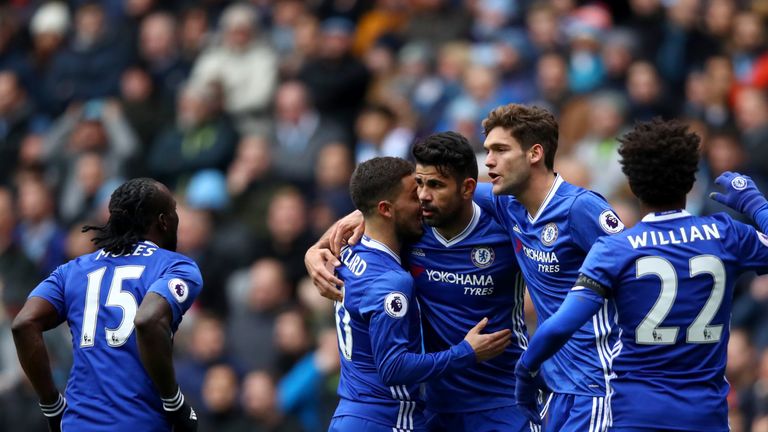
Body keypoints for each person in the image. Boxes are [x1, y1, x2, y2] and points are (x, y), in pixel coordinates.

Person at [513, 119, 768, 431]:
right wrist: (756, 206)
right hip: (706, 416)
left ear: (632, 186)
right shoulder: (726, 235)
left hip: (636, 416)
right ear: (691, 182)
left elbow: (558, 327)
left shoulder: (614, 249)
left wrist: (525, 372)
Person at [307, 132, 535, 431]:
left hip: (502, 402)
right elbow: (377, 213)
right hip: (435, 408)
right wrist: (314, 251)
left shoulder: (505, 224)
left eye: (435, 185)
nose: (423, 196)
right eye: (418, 185)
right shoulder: (410, 231)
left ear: (466, 188)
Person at [476, 103, 624, 431]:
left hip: (596, 387)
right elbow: (446, 189)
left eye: (500, 150)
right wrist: (361, 214)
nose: (488, 161)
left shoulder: (581, 208)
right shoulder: (507, 205)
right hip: (554, 389)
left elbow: (637, 274)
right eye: (487, 151)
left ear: (535, 153)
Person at [11, 178, 202, 432]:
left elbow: (24, 323)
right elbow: (148, 320)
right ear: (163, 221)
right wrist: (174, 401)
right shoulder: (175, 266)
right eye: (174, 210)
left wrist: (52, 406)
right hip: (141, 423)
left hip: (78, 424)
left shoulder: (72, 270)